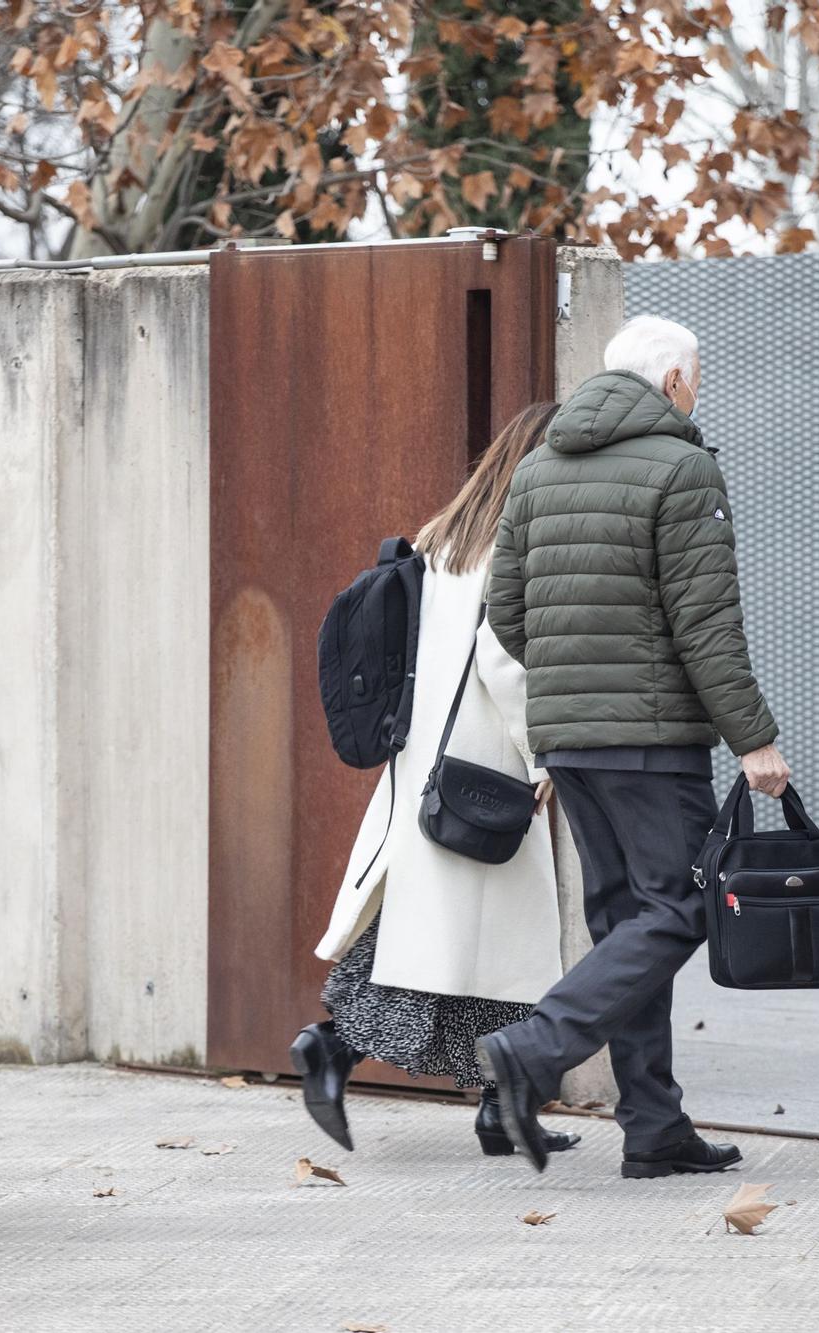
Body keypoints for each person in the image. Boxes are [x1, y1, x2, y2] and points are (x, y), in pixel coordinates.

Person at [475, 316, 792, 1177]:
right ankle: (534, 1046)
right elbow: (707, 627)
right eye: (697, 377)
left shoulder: (539, 469)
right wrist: (754, 738)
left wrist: (575, 678)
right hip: (652, 742)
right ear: (675, 381)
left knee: (627, 922)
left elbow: (507, 611)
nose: (698, 391)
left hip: (569, 737)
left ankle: (654, 1128)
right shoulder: (684, 466)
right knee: (684, 906)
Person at [292, 402, 583, 1161]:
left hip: (429, 762)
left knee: (464, 946)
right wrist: (543, 752)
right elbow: (502, 659)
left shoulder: (443, 538)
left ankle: (497, 1103)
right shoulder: (513, 543)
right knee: (480, 944)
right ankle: (336, 1047)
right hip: (489, 765)